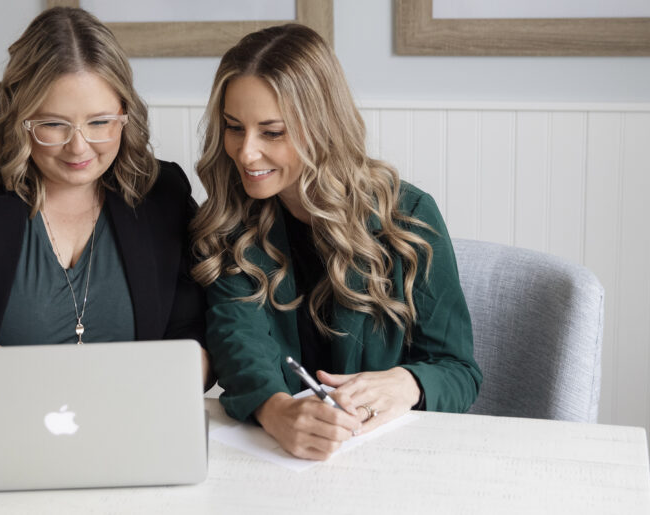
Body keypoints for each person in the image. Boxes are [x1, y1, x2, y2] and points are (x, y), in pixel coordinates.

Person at [191, 23, 480, 459]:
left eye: (272, 132)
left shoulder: (408, 217)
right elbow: (238, 347)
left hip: (393, 460)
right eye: (235, 127)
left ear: (322, 126)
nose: (246, 153)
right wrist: (276, 410)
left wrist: (409, 382)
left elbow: (459, 371)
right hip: (277, 461)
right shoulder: (231, 219)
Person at [0, 7, 209, 382]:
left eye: (100, 122)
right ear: (18, 117)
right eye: (53, 124)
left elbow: (194, 333)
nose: (79, 148)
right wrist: (42, 393)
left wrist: (156, 384)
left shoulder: (162, 191)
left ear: (125, 113)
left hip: (129, 417)